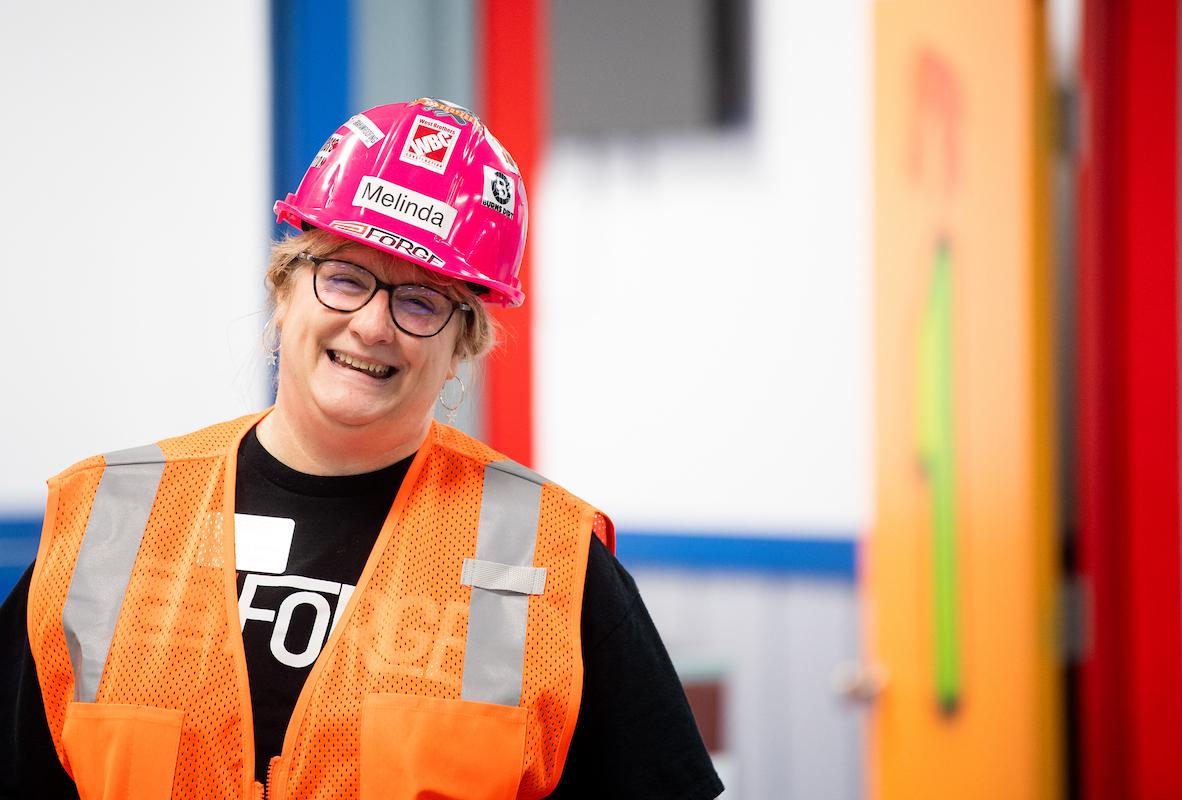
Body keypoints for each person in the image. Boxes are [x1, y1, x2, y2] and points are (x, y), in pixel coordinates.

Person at [0, 99, 724, 799]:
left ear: (460, 348)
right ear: (285, 293)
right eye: (345, 278)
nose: (374, 325)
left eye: (420, 301)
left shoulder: (549, 560)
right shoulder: (109, 520)